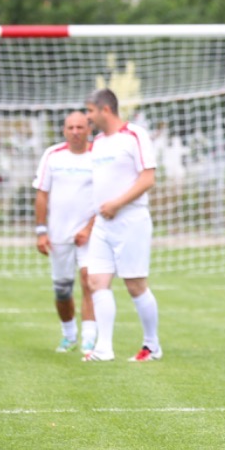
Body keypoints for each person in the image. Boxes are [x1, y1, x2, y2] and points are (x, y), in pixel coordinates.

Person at [82, 89, 159, 363]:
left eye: (90, 111)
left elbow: (147, 178)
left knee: (135, 285)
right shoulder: (99, 142)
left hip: (131, 220)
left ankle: (152, 345)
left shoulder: (135, 135)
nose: (87, 117)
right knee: (96, 281)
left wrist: (117, 203)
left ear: (105, 110)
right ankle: (104, 348)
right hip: (103, 224)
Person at [33, 111, 98, 353]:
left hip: (89, 235)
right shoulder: (52, 155)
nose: (75, 132)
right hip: (58, 235)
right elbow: (41, 193)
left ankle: (89, 339)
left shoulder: (97, 157)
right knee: (62, 291)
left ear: (89, 129)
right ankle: (69, 334)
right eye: (71, 127)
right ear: (64, 130)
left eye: (80, 127)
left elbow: (105, 196)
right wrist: (41, 231)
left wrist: (89, 228)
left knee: (89, 281)